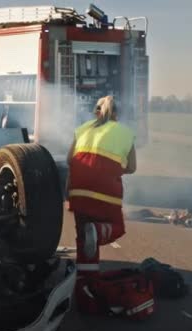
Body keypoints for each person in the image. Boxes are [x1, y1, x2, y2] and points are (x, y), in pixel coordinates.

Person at [66, 95, 137, 314]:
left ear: (95, 111)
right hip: (106, 194)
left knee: (84, 241)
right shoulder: (125, 133)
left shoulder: (82, 129)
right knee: (116, 228)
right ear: (117, 113)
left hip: (78, 192)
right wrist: (114, 168)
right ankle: (97, 231)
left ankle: (86, 287)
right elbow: (132, 168)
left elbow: (70, 159)